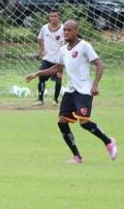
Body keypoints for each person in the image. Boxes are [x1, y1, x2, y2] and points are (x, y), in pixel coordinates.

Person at [25, 20, 117, 164]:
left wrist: (95, 85)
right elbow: (57, 69)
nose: (66, 33)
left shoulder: (84, 46)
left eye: (69, 30)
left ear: (76, 31)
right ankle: (77, 156)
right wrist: (37, 73)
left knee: (84, 122)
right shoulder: (63, 50)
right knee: (62, 122)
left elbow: (100, 65)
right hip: (70, 90)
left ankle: (108, 142)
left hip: (84, 90)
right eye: (65, 30)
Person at [34, 9, 64, 106]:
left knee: (58, 80)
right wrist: (42, 49)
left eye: (55, 16)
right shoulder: (44, 28)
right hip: (46, 58)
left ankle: (55, 100)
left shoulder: (63, 29)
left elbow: (68, 41)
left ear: (59, 17)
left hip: (58, 60)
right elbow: (39, 39)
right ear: (49, 17)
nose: (53, 18)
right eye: (51, 16)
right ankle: (40, 99)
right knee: (41, 77)